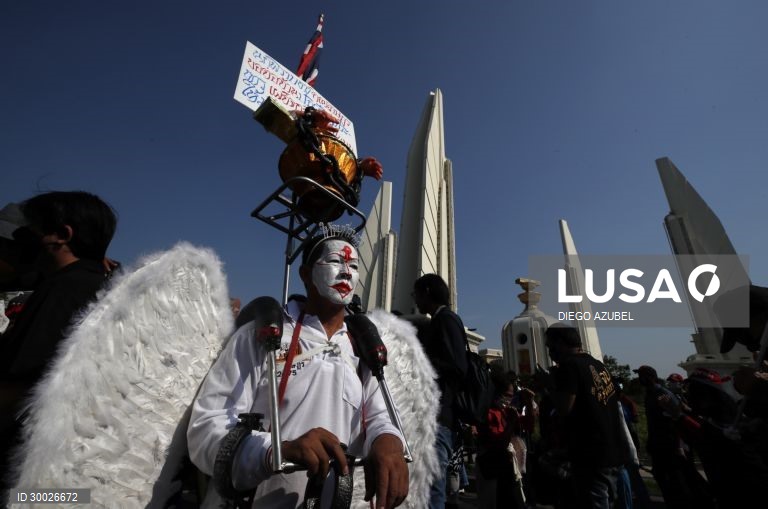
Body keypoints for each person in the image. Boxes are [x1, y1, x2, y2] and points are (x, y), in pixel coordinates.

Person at [187, 229, 408, 509]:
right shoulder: (264, 335)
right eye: (335, 262)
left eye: (353, 266)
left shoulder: (360, 349)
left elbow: (379, 415)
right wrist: (277, 450)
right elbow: (206, 427)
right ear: (305, 274)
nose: (346, 273)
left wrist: (388, 440)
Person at [0, 191, 117, 488]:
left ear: (61, 236)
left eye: (30, 233)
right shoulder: (107, 292)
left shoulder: (65, 288)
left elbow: (23, 381)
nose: (21, 244)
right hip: (72, 468)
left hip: (24, 465)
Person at [542, 322, 628, 509]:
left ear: (561, 343)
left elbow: (565, 409)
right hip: (612, 452)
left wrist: (549, 385)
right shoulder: (598, 366)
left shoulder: (569, 366)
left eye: (551, 346)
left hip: (590, 456)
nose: (550, 352)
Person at [411, 273, 468, 509]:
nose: (414, 298)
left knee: (433, 488)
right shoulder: (439, 319)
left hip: (440, 417)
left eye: (416, 294)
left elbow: (457, 367)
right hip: (435, 416)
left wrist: (419, 362)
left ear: (426, 292)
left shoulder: (446, 320)